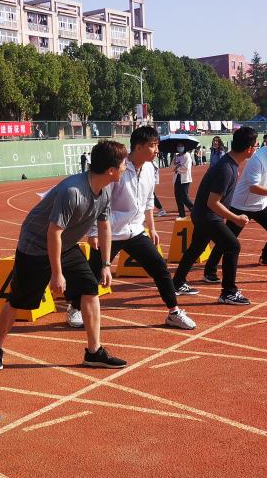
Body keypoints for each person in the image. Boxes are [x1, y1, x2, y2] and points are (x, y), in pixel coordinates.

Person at [0, 140, 128, 372]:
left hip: (66, 245)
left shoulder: (105, 191)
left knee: (89, 288)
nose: (125, 168)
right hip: (35, 246)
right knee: (18, 301)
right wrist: (57, 273)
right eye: (123, 164)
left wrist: (105, 264)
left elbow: (104, 226)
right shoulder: (73, 191)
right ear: (111, 170)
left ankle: (94, 352)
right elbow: (54, 232)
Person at [66, 127, 197, 331]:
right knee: (92, 274)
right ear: (138, 147)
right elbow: (98, 200)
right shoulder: (117, 167)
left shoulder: (151, 168)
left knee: (160, 268)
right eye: (153, 145)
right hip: (109, 232)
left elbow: (149, 199)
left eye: (157, 145)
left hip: (135, 231)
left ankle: (174, 312)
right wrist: (93, 232)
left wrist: (152, 227)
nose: (157, 150)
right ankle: (75, 307)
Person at [203, 127, 267, 284]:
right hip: (241, 205)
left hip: (261, 205)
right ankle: (210, 271)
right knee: (228, 239)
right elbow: (254, 187)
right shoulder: (258, 159)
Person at [171, 127, 257, 305]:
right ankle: (228, 292)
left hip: (203, 214)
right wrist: (235, 218)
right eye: (255, 145)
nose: (256, 148)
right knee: (232, 246)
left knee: (196, 248)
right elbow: (213, 202)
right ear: (249, 149)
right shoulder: (226, 168)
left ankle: (177, 283)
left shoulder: (229, 164)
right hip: (208, 215)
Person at [172, 144, 194, 217]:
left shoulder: (187, 155)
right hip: (177, 178)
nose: (179, 147)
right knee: (178, 197)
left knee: (184, 197)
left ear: (184, 147)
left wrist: (177, 168)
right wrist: (175, 164)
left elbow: (186, 168)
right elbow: (172, 166)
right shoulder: (176, 156)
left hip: (185, 179)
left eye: (181, 146)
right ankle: (181, 214)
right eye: (178, 146)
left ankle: (194, 211)